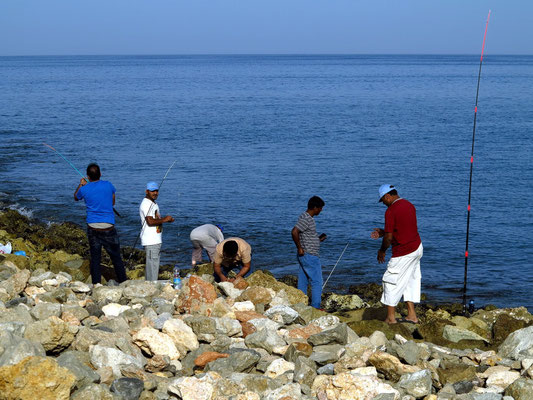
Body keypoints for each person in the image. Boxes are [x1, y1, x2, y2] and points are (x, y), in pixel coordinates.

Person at [371, 184, 423, 324]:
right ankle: (412, 315)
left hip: (404, 251)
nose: (384, 204)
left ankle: (390, 317)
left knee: (390, 281)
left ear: (387, 196)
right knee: (410, 280)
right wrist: (384, 232)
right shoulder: (409, 205)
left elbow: (389, 238)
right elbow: (402, 228)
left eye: (383, 200)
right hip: (417, 247)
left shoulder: (391, 211)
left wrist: (382, 251)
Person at [74, 163, 127, 285]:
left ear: (88, 176)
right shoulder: (108, 185)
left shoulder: (84, 188)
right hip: (108, 227)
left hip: (93, 228)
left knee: (95, 259)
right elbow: (113, 202)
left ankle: (96, 285)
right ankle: (124, 282)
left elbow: (76, 197)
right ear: (100, 174)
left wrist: (81, 184)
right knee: (116, 258)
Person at [291, 196, 327, 309]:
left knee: (303, 281)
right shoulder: (307, 219)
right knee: (317, 281)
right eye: (320, 208)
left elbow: (304, 235)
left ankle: (301, 305)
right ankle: (316, 306)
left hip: (305, 255)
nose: (321, 210)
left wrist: (318, 239)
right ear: (315, 207)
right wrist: (299, 248)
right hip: (309, 255)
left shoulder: (305, 217)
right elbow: (294, 232)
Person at [139, 181, 174, 281]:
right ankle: (152, 287)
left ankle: (150, 285)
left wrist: (167, 220)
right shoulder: (146, 204)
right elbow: (150, 221)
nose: (155, 193)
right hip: (151, 241)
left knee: (153, 266)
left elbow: (155, 219)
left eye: (156, 191)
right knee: (153, 267)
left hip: (155, 240)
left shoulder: (153, 203)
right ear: (147, 191)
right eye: (152, 191)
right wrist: (165, 219)